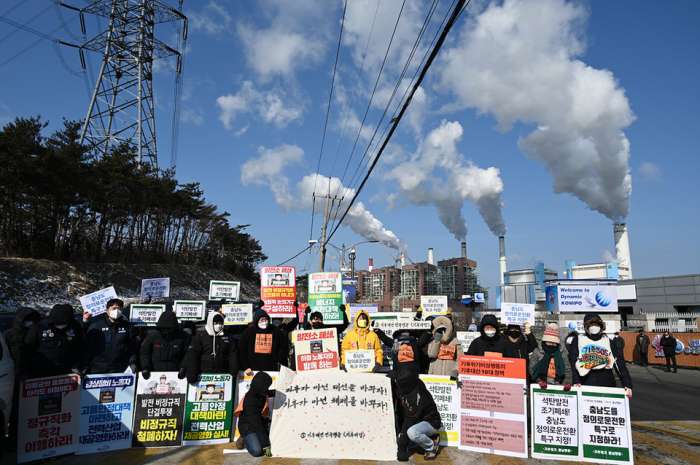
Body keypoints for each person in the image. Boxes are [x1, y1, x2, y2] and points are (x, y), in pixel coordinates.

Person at [567, 313, 633, 397]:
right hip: (586, 380)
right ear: (585, 327)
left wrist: (627, 384)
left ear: (601, 326)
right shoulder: (578, 340)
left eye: (596, 324)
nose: (594, 327)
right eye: (590, 324)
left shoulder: (609, 341)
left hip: (607, 381)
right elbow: (574, 362)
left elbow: (619, 363)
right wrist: (576, 381)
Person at [3, 306, 41, 449]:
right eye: (27, 320)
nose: (30, 323)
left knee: (31, 412)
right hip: (13, 377)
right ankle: (13, 441)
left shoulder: (37, 333)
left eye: (32, 320)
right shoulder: (9, 335)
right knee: (14, 412)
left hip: (32, 377)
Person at [392, 364, 442, 461]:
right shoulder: (411, 386)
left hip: (431, 423)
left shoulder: (419, 397)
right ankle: (423, 441)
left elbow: (409, 421)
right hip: (418, 421)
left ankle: (432, 445)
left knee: (412, 432)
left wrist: (401, 447)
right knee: (406, 431)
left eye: (400, 382)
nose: (397, 383)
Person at [83, 298, 139, 374]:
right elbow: (87, 346)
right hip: (97, 368)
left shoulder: (128, 327)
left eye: (119, 309)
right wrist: (85, 365)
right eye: (114, 308)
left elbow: (132, 347)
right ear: (107, 310)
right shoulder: (97, 326)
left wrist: (132, 362)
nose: (116, 311)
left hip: (119, 368)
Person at [182, 312, 239, 384]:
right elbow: (193, 355)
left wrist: (234, 371)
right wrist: (192, 374)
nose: (218, 326)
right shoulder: (201, 336)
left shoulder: (228, 337)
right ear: (210, 323)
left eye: (220, 323)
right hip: (203, 374)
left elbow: (232, 355)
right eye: (215, 323)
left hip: (223, 374)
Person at [29, 304, 83, 377]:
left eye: (63, 324)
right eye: (58, 324)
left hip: (67, 370)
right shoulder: (40, 327)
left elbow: (80, 346)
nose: (60, 327)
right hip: (43, 370)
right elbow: (28, 347)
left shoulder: (75, 326)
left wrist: (77, 365)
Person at [139, 310, 189, 379]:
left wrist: (183, 367)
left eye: (169, 329)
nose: (166, 331)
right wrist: (145, 368)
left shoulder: (183, 337)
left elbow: (187, 354)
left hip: (176, 374)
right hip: (154, 373)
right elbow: (145, 353)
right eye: (164, 328)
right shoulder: (152, 336)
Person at [237, 371, 275, 457]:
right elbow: (257, 426)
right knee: (257, 451)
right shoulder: (250, 401)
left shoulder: (259, 392)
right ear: (261, 386)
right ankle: (244, 438)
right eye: (266, 386)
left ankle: (254, 439)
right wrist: (266, 446)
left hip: (258, 421)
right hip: (247, 426)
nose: (267, 388)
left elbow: (269, 393)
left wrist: (281, 391)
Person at [532, 323, 570, 389]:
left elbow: (567, 370)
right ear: (544, 341)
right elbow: (532, 368)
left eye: (554, 342)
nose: (551, 344)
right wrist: (539, 381)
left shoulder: (562, 353)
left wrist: (566, 383)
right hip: (541, 384)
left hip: (558, 384)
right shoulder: (538, 351)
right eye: (549, 342)